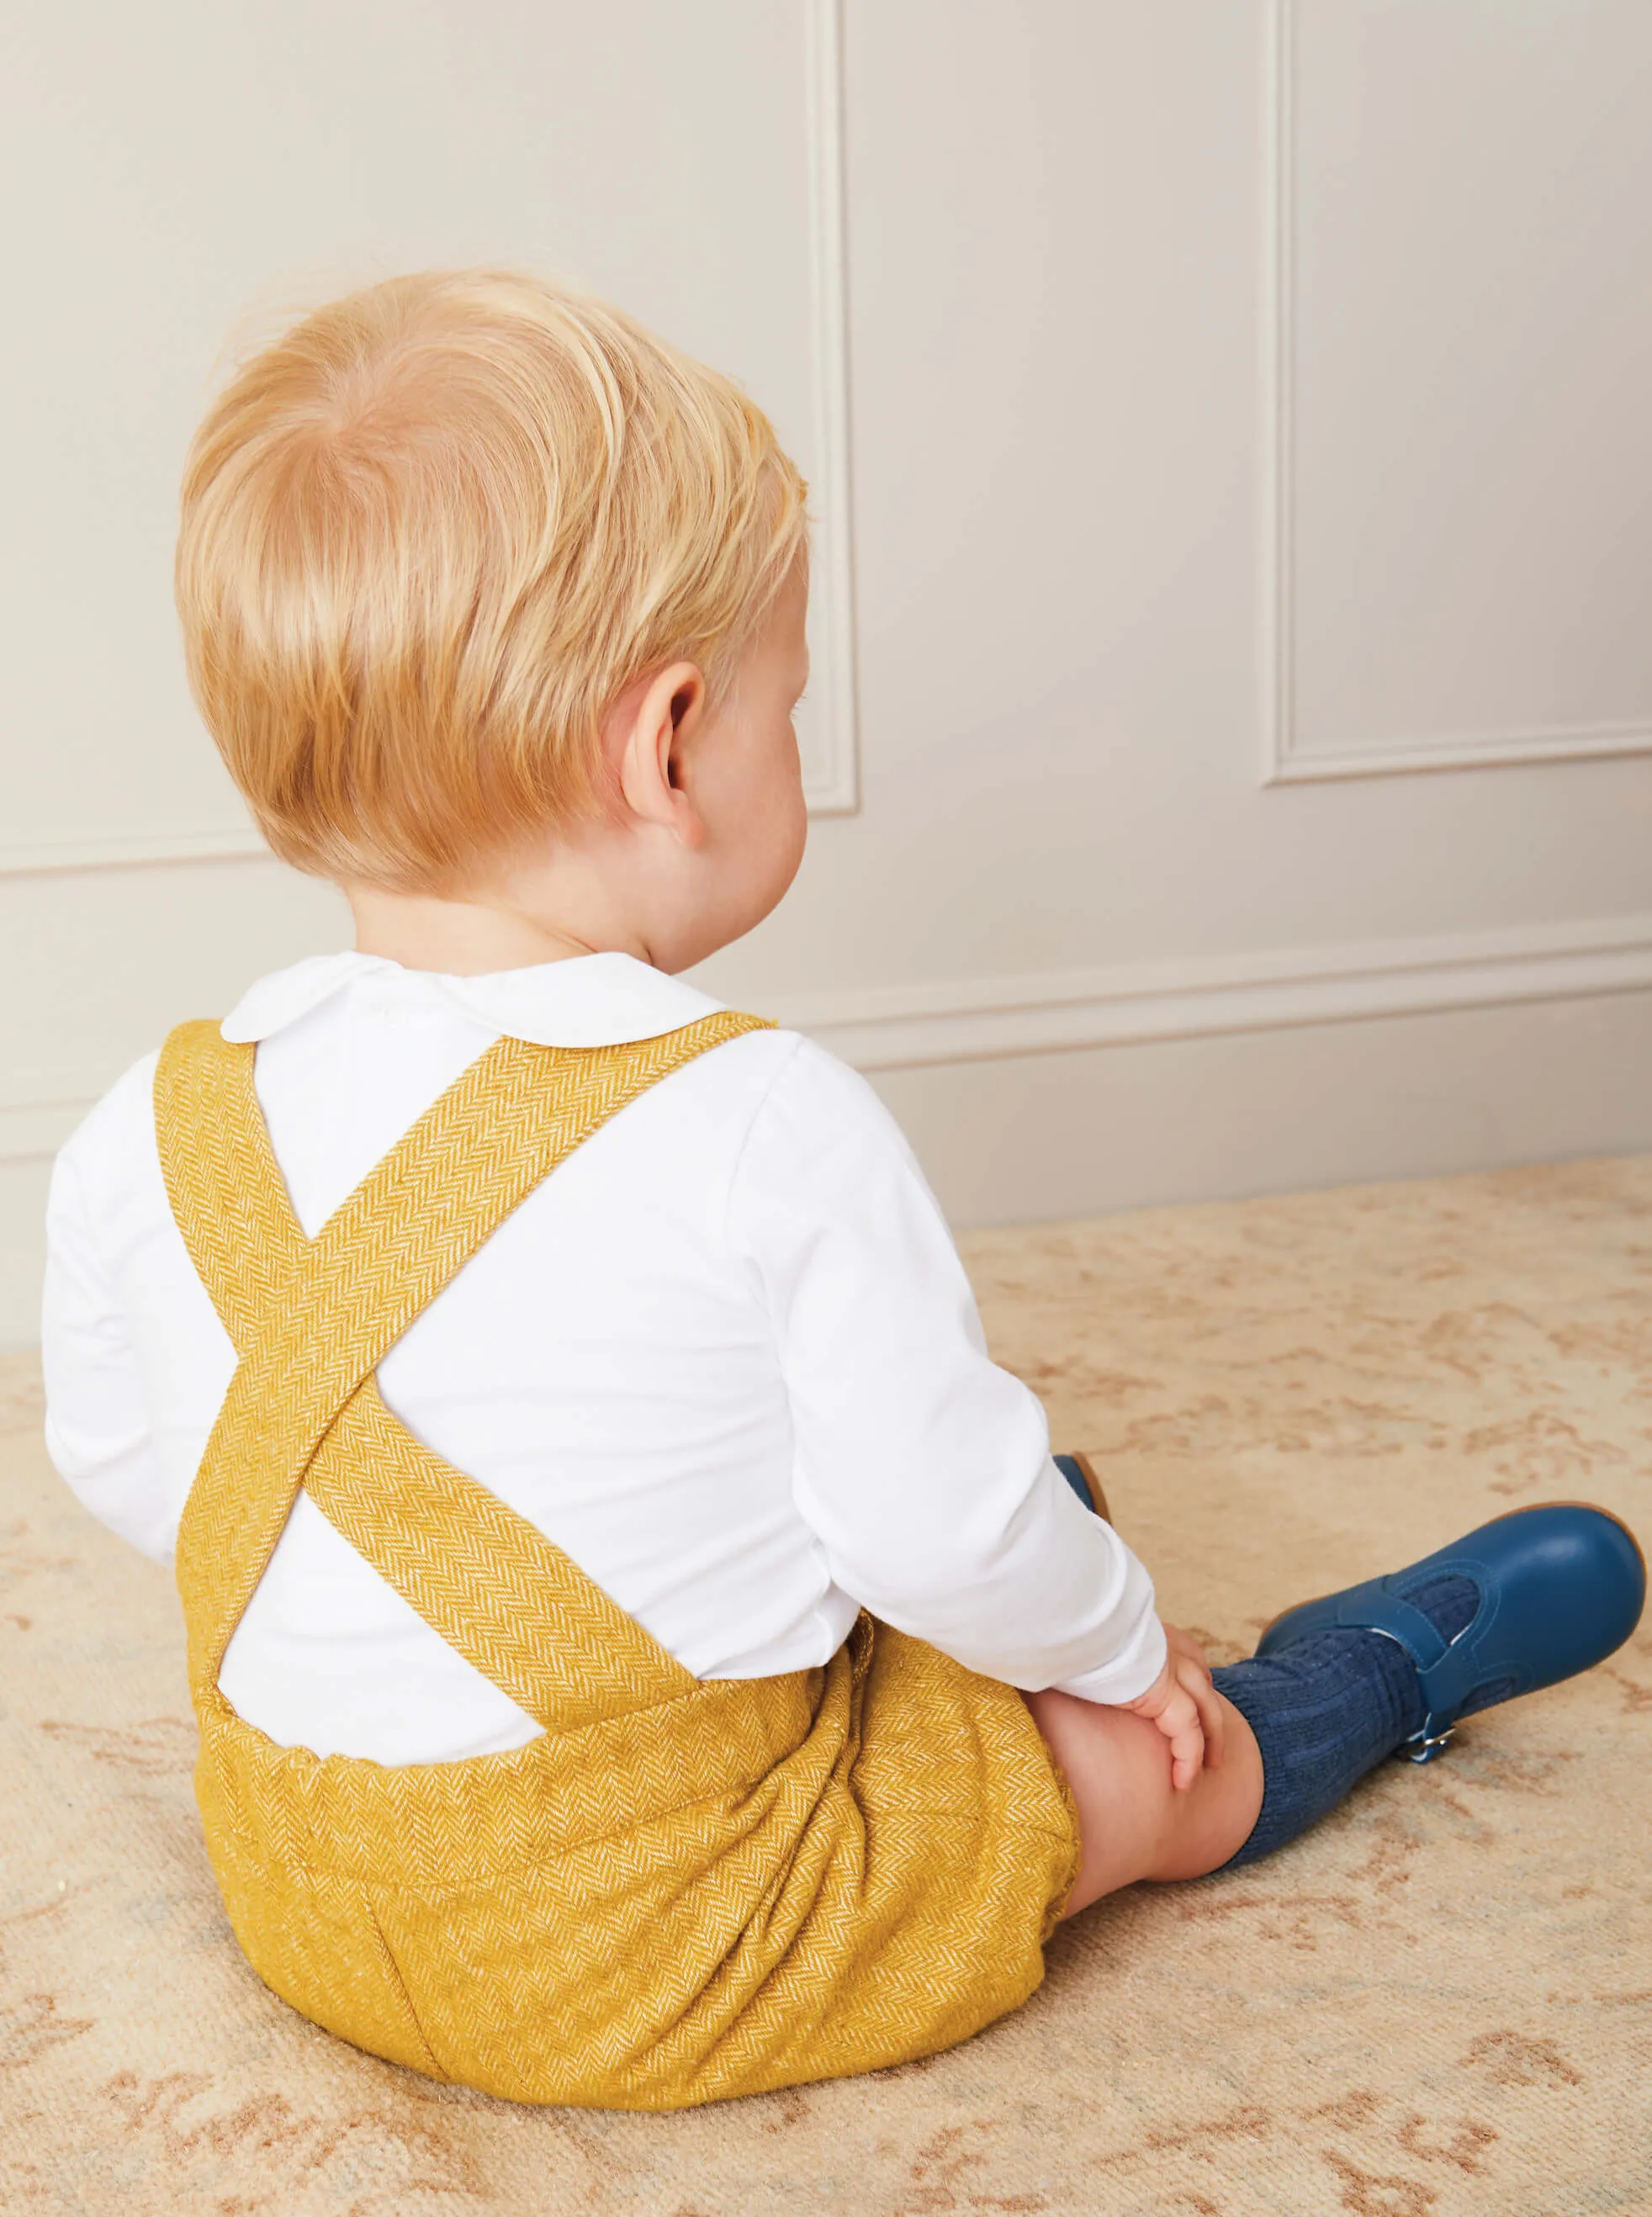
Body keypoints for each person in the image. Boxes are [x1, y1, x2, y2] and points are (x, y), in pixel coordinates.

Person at [41, 272, 1644, 2111]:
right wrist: (1124, 1651)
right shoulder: (754, 1114)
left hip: (309, 1896)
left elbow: (140, 1470)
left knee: (898, 1518)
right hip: (655, 1944)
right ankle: (1367, 1677)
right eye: (784, 707)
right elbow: (939, 1540)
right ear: (668, 747)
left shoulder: (151, 1117)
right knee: (1112, 1738)